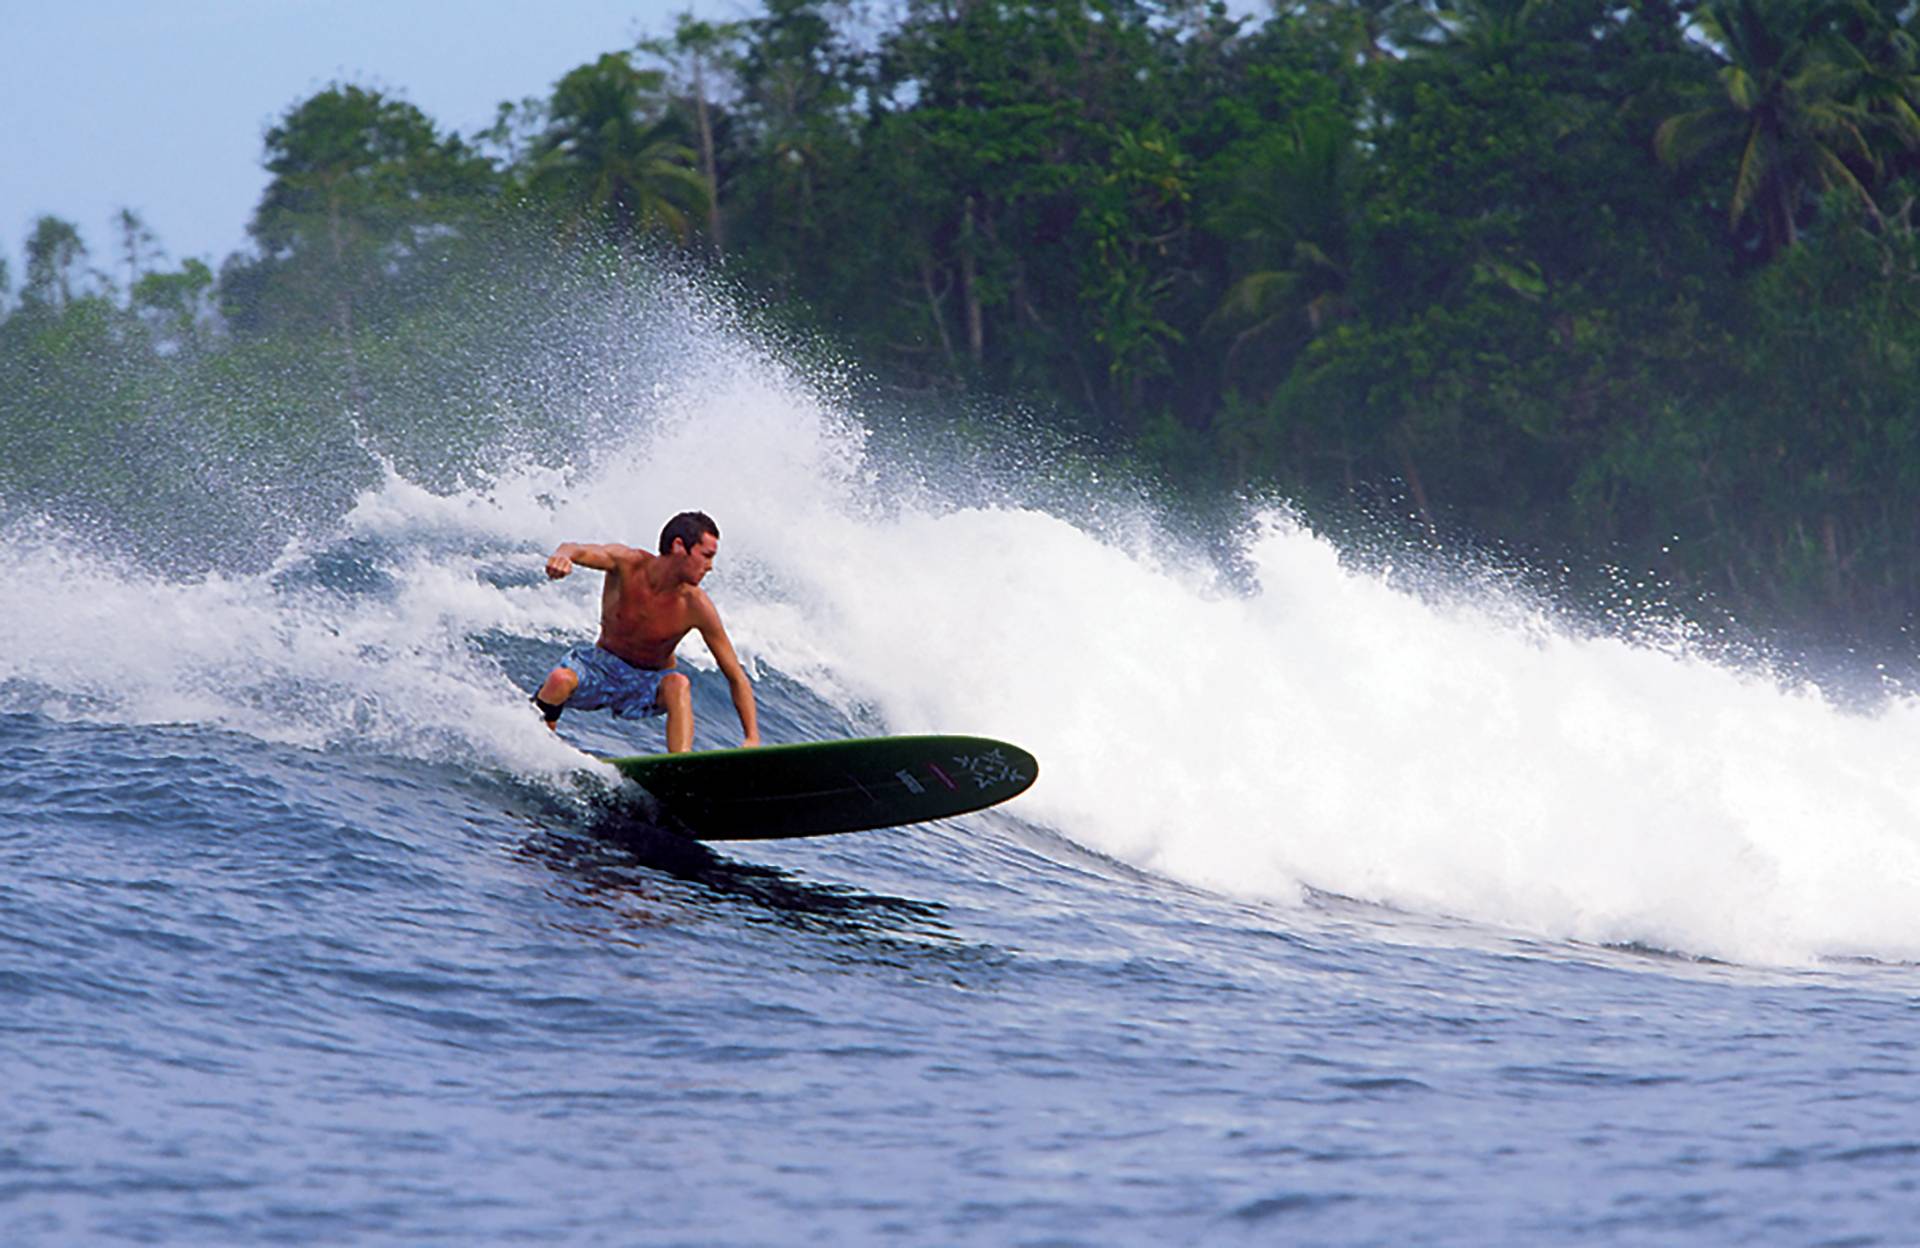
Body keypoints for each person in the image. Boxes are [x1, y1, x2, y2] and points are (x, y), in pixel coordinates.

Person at [532, 511, 759, 753]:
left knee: (678, 684)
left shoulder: (696, 606)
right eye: (706, 556)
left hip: (646, 683)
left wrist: (752, 737)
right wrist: (562, 557)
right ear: (679, 546)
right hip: (600, 668)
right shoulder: (627, 564)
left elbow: (735, 676)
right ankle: (539, 748)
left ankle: (679, 765)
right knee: (559, 680)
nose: (710, 567)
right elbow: (574, 548)